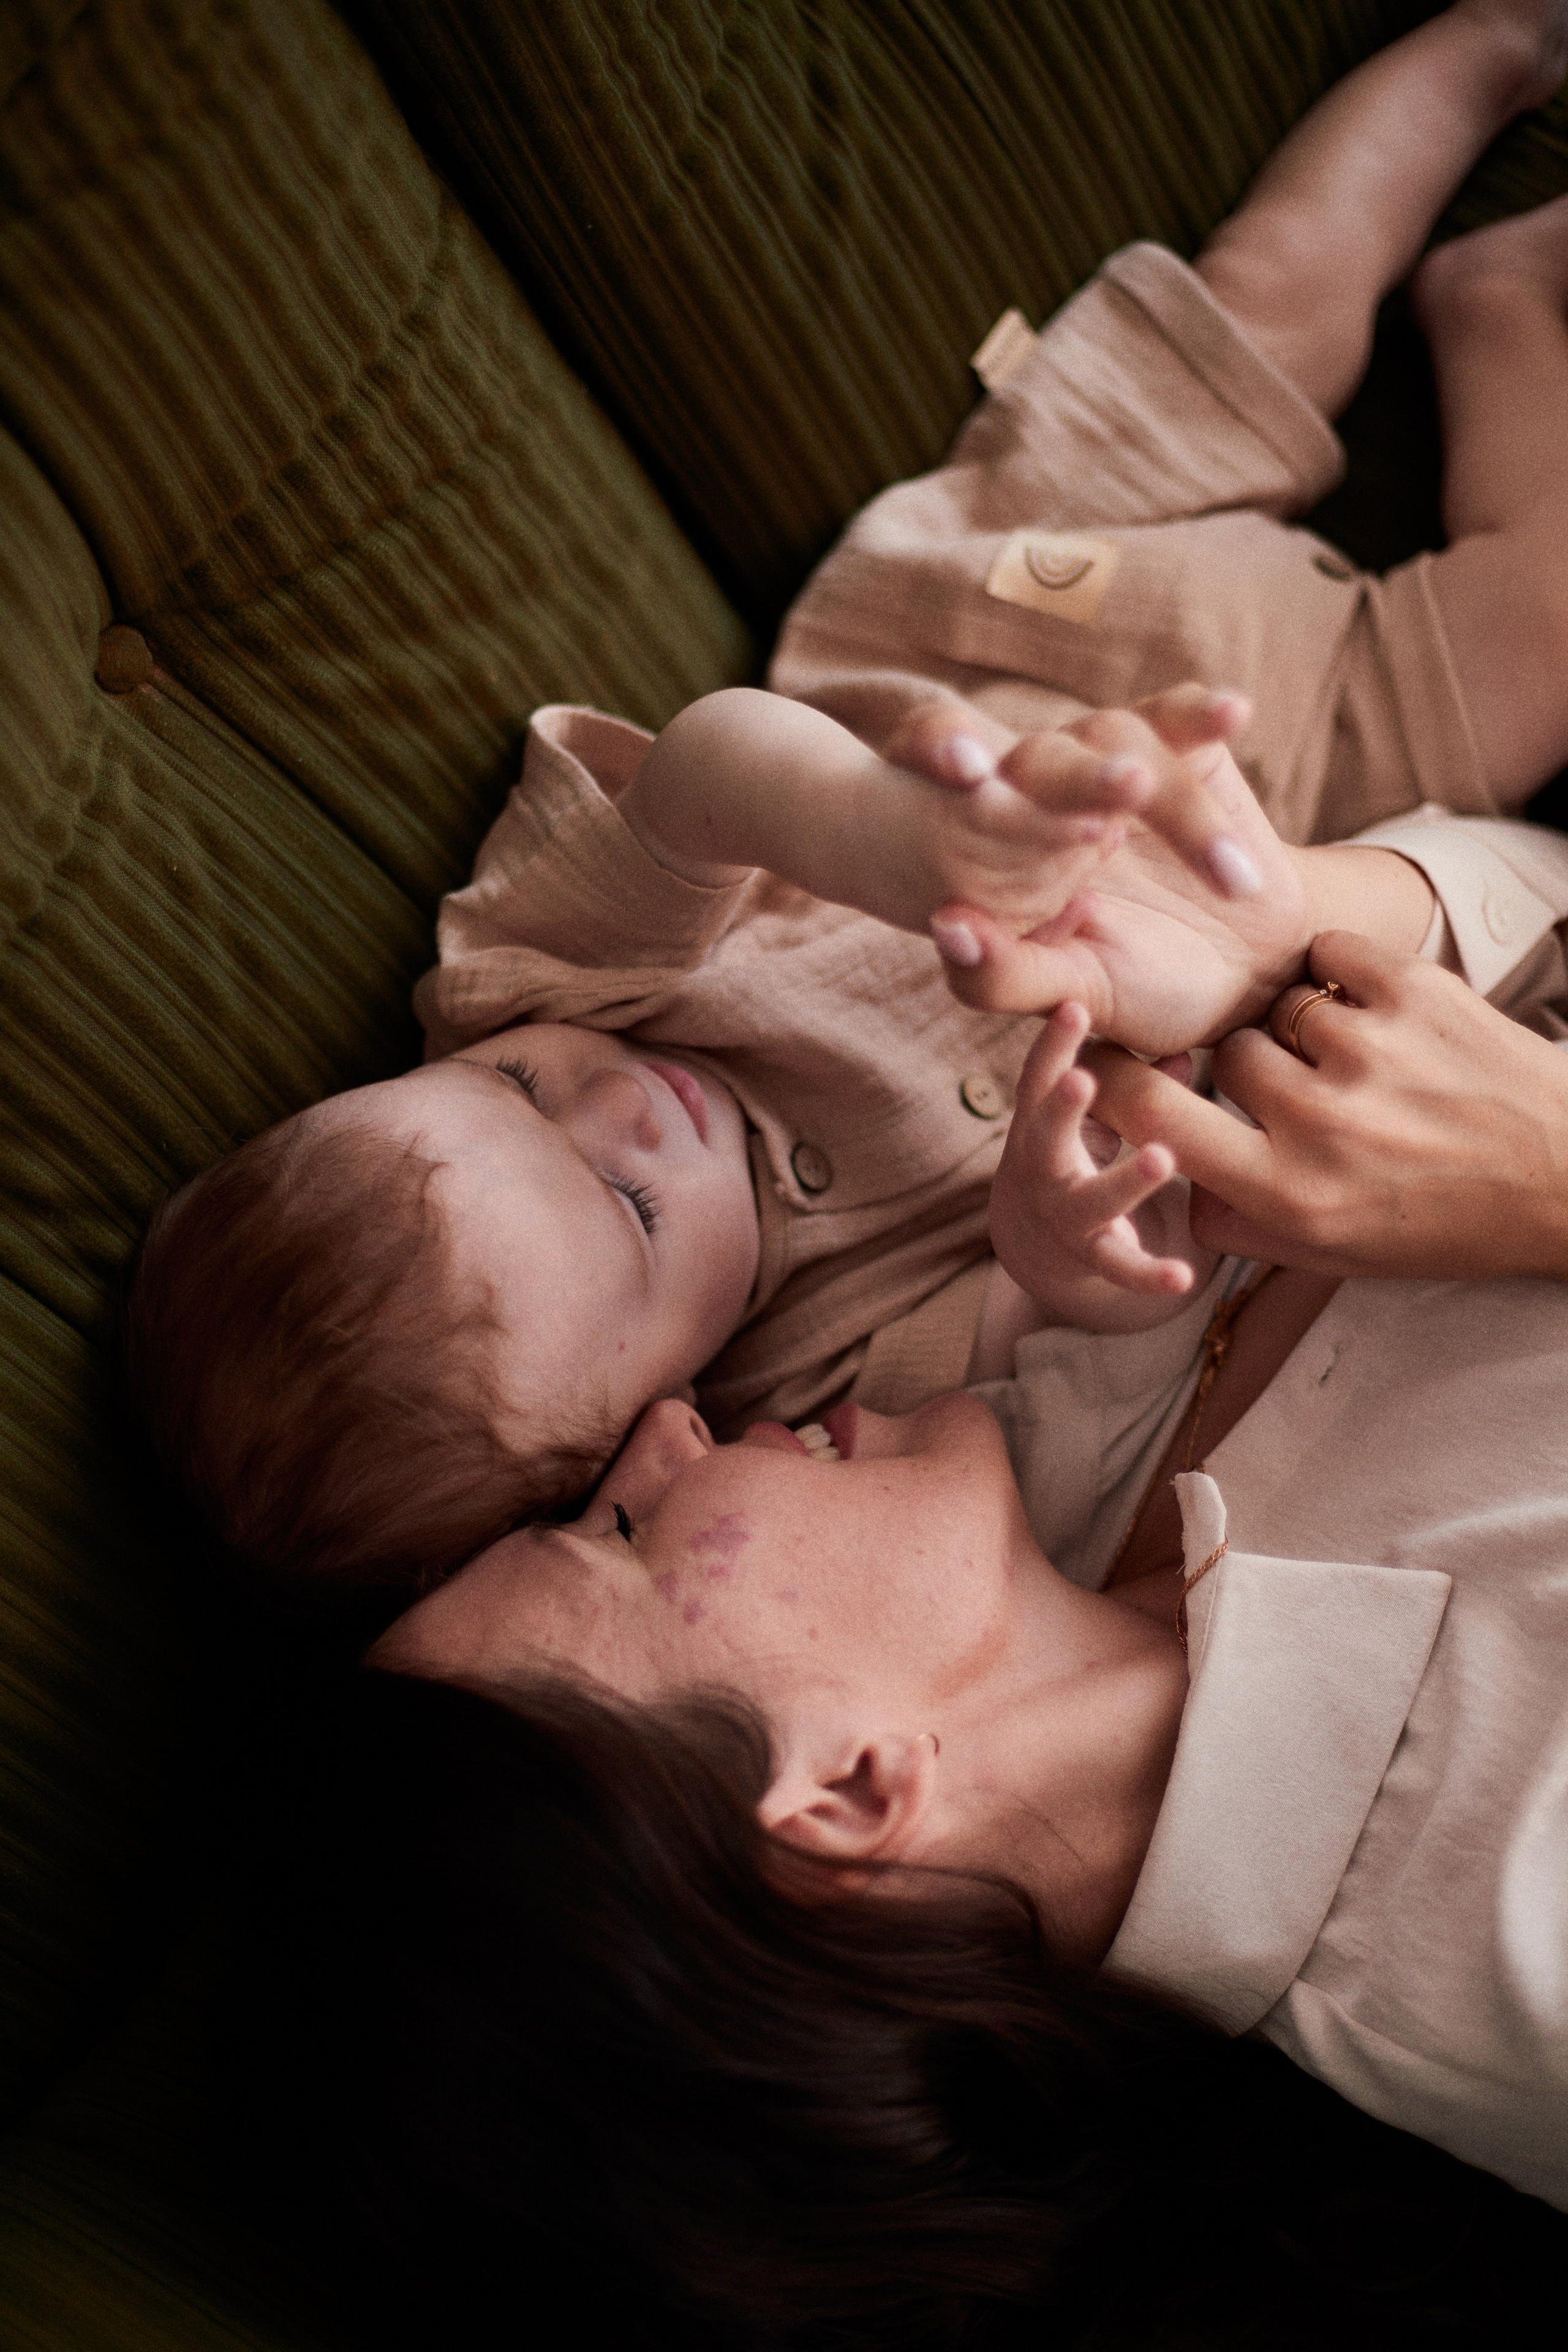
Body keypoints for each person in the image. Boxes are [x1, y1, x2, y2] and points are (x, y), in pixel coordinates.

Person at [127, 0, 1568, 1602]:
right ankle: (1498, 304)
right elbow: (1045, 1330)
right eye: (622, 1205)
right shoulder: (820, 1397)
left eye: (520, 1093)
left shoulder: (519, 980)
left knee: (1267, 298)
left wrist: (888, 836)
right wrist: (1050, 1241)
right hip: (1270, 813)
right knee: (1553, 625)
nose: (624, 1105)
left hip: (1008, 608)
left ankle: (1496, 47)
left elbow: (708, 767)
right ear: (641, 1426)